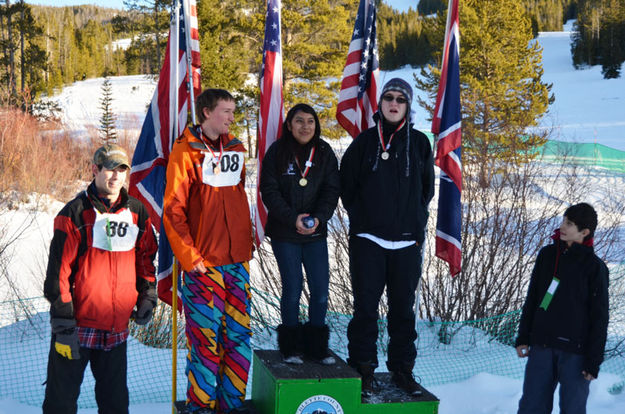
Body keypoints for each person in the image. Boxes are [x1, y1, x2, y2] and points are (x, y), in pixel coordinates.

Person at [42, 144, 158, 414]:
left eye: (121, 170)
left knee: (115, 404)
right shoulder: (74, 213)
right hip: (77, 327)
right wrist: (63, 324)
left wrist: (147, 295)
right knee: (60, 402)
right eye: (109, 169)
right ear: (95, 170)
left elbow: (145, 259)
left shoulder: (138, 213)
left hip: (115, 329)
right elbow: (58, 273)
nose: (116, 176)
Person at [339, 77, 434, 397]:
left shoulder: (420, 143)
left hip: (407, 243)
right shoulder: (365, 142)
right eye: (389, 98)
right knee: (365, 309)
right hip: (369, 241)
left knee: (403, 312)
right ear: (380, 104)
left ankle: (402, 371)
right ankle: (363, 368)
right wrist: (364, 221)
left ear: (408, 106)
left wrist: (414, 222)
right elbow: (347, 187)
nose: (394, 103)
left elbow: (426, 190)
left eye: (400, 99)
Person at [163, 88, 253, 414]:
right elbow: (173, 210)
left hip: (237, 262)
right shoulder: (185, 150)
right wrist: (190, 257)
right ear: (206, 113)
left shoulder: (235, 147)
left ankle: (232, 405)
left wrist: (247, 238)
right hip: (203, 265)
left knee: (239, 338)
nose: (231, 117)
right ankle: (201, 407)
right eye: (225, 111)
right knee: (206, 342)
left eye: (232, 111)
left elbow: (237, 198)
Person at [259, 103, 340, 365]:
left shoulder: (325, 152)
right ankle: (291, 347)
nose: (305, 127)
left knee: (320, 290)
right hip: (286, 234)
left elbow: (331, 191)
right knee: (292, 289)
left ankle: (317, 347)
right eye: (299, 121)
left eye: (310, 122)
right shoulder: (277, 152)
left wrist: (318, 218)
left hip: (315, 233)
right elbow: (269, 190)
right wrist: (291, 217)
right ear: (289, 125)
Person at [515, 202, 609, 414]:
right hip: (542, 346)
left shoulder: (595, 268)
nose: (563, 227)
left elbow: (600, 317)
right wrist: (523, 336)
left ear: (584, 232)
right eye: (564, 221)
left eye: (570, 224)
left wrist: (593, 361)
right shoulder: (547, 256)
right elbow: (533, 298)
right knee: (532, 406)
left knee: (572, 409)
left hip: (576, 354)